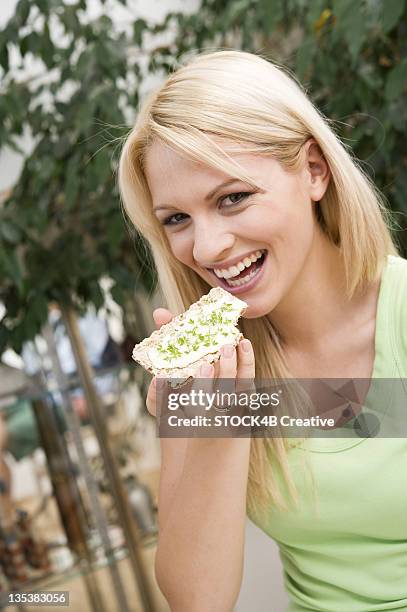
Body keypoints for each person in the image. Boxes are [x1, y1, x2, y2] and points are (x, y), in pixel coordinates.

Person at [118, 50, 407, 611]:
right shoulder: (204, 374)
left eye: (233, 198)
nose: (204, 248)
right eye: (176, 218)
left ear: (314, 172)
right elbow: (197, 600)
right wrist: (219, 420)